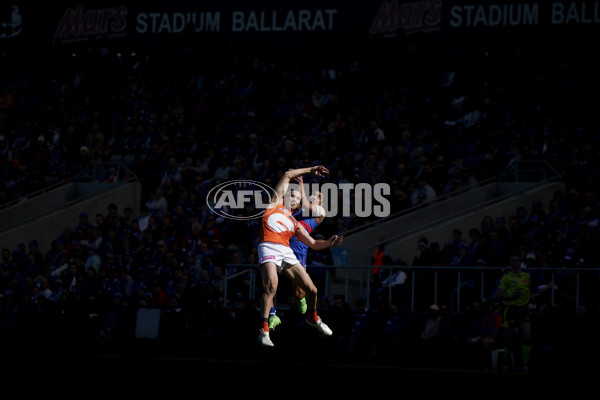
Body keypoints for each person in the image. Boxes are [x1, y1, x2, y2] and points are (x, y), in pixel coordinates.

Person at [257, 165, 343, 347]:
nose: (294, 199)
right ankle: (264, 330)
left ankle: (313, 318)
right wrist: (311, 170)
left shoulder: (295, 222)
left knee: (312, 290)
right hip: (269, 247)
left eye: (297, 198)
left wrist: (330, 243)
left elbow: (312, 243)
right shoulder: (273, 205)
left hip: (287, 251)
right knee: (271, 285)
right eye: (292, 196)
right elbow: (287, 174)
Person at [268, 174, 327, 330]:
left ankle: (301, 299)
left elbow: (307, 206)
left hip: (299, 251)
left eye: (318, 196)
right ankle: (271, 314)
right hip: (281, 245)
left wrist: (301, 185)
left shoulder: (320, 213)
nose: (315, 197)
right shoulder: (294, 208)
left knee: (299, 292)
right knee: (269, 280)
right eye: (313, 194)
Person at [496, 255, 533, 372]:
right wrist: (512, 295)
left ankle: (525, 365)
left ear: (520, 262)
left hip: (524, 309)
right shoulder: (506, 278)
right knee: (511, 339)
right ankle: (505, 363)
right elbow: (498, 296)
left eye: (516, 261)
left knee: (527, 338)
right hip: (511, 309)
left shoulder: (527, 276)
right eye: (512, 261)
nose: (514, 263)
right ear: (510, 263)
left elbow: (528, 291)